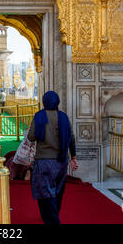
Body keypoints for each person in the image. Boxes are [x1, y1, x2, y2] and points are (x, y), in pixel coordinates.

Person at [27, 91, 78, 225]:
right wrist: (73, 157)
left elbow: (31, 137)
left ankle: (52, 220)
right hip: (61, 161)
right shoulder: (63, 117)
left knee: (44, 192)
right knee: (58, 190)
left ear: (44, 101)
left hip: (43, 161)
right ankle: (53, 215)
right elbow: (71, 138)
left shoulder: (39, 116)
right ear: (58, 101)